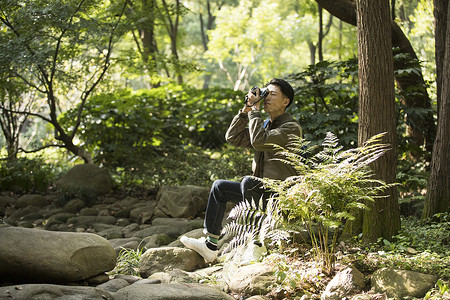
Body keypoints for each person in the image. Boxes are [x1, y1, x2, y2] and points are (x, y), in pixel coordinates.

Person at [180, 78, 302, 263]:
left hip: (280, 196)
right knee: (220, 187)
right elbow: (232, 137)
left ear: (286, 101)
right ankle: (211, 245)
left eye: (273, 94)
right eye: (265, 93)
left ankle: (256, 244)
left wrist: (255, 111)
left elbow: (259, 141)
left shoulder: (291, 127)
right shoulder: (264, 125)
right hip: (259, 194)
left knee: (249, 182)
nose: (266, 98)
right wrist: (245, 110)